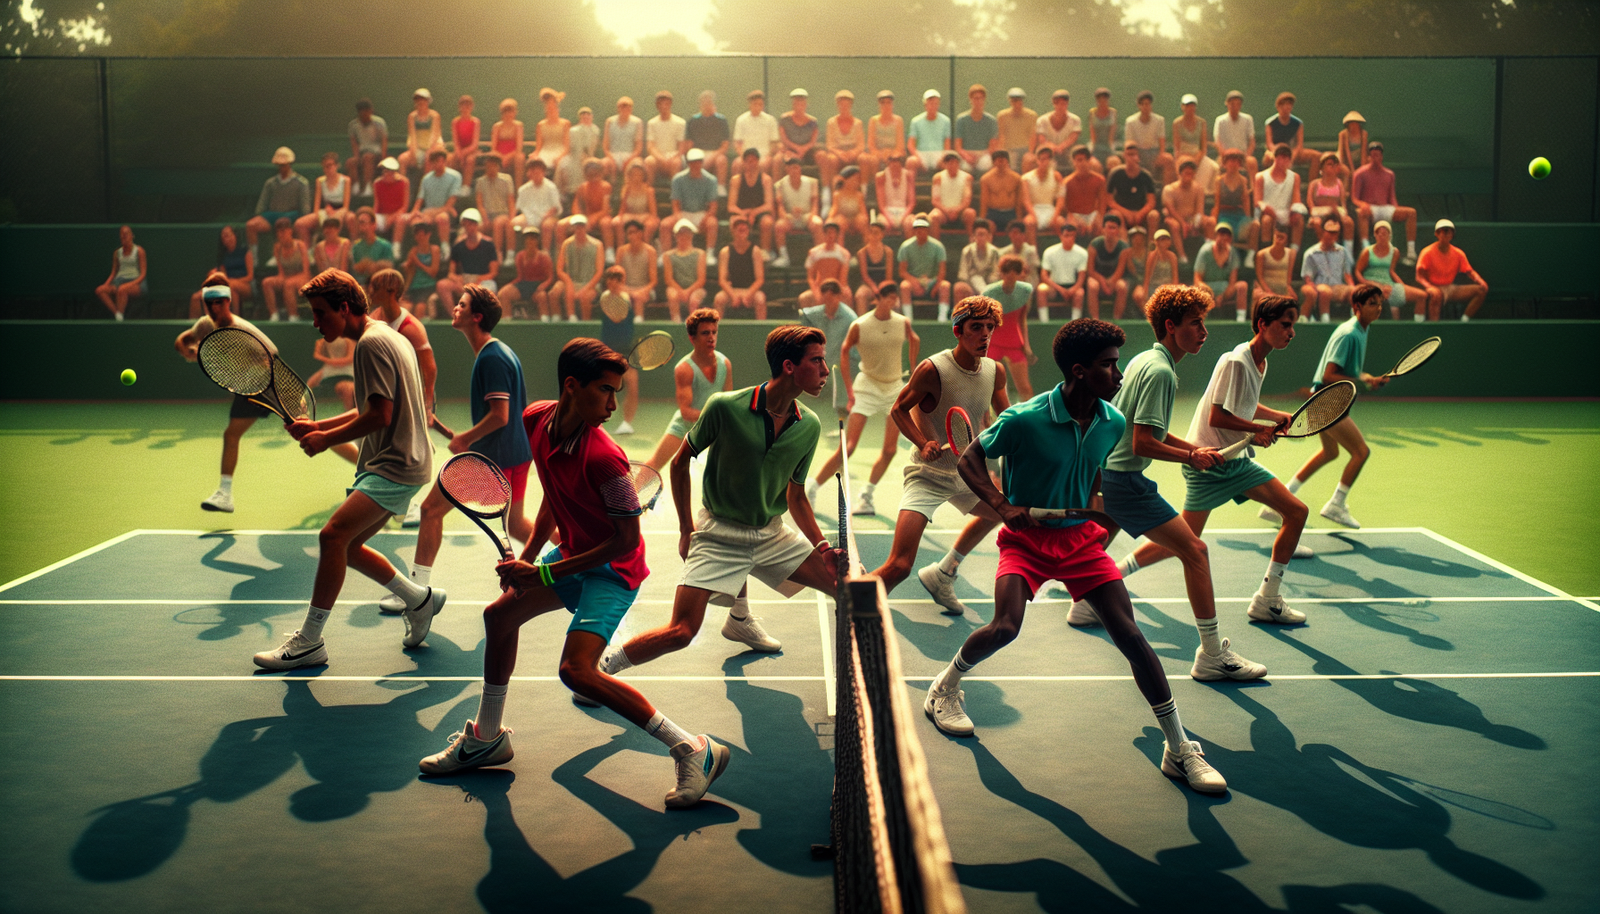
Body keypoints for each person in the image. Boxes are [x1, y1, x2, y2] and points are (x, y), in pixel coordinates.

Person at [923, 317, 1230, 795]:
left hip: (1079, 542)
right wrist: (1004, 507)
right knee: (1006, 626)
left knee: (1130, 634)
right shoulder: (1024, 418)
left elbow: (1092, 475)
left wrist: (1094, 510)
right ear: (1081, 370)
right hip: (1026, 544)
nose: (1120, 375)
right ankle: (944, 686)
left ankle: (1178, 747)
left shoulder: (1113, 423)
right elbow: (969, 459)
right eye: (1110, 366)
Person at [422, 339, 731, 811]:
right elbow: (551, 494)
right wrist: (527, 560)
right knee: (498, 617)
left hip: (613, 571)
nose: (612, 404)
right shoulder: (535, 421)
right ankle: (487, 738)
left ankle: (692, 748)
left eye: (617, 392)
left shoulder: (605, 458)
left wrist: (542, 575)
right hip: (570, 554)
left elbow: (626, 542)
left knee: (576, 671)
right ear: (571, 386)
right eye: (605, 391)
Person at [592, 325, 845, 677]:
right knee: (681, 631)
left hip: (772, 534)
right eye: (817, 360)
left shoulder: (810, 425)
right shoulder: (725, 407)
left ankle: (742, 620)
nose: (824, 370)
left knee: (846, 589)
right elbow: (680, 463)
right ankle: (603, 666)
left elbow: (796, 495)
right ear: (789, 366)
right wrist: (686, 529)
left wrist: (821, 546)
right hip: (718, 534)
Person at [1062, 287, 1267, 684]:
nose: (1204, 331)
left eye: (1204, 322)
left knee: (1091, 546)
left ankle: (1086, 604)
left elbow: (1146, 429)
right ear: (1171, 327)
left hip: (1105, 473)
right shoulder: (1161, 373)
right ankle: (1211, 655)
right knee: (1195, 550)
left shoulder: (1144, 359)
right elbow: (1143, 442)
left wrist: (1195, 449)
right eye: (1196, 323)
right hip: (1124, 480)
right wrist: (1192, 456)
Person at [253, 269, 443, 669]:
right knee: (348, 545)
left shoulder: (370, 345)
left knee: (333, 536)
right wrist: (318, 426)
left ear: (344, 308)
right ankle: (419, 600)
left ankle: (309, 640)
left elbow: (379, 415)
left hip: (396, 462)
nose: (316, 322)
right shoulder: (387, 335)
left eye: (321, 313)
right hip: (401, 459)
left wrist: (325, 441)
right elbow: (372, 406)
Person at [1119, 294, 1313, 626]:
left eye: (1293, 325)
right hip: (1211, 464)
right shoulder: (1237, 360)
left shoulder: (1259, 361)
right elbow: (1218, 416)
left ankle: (1267, 598)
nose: (1291, 332)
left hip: (1229, 462)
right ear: (1263, 325)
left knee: (1294, 512)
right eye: (1285, 324)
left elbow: (1242, 405)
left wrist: (1272, 417)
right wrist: (1258, 430)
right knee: (1185, 543)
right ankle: (1109, 577)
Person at [380, 285, 533, 616]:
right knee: (518, 525)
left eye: (461, 305)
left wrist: (464, 439)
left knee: (430, 509)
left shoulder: (491, 357)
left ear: (476, 317)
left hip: (493, 458)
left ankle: (415, 592)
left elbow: (500, 416)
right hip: (518, 453)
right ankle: (576, 555)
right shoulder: (498, 352)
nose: (455, 309)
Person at [869, 297, 1010, 616]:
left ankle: (943, 573)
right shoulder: (933, 369)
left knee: (1007, 512)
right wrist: (922, 442)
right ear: (958, 330)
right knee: (900, 565)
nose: (985, 334)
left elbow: (1008, 417)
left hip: (969, 476)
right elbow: (899, 410)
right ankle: (856, 600)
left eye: (990, 328)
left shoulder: (994, 371)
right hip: (928, 478)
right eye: (976, 328)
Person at [175, 273, 351, 513]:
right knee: (231, 435)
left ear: (228, 301)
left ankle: (369, 471)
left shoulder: (242, 329)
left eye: (218, 302)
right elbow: (183, 339)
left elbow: (272, 356)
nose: (214, 307)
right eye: (209, 303)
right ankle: (224, 494)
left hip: (271, 386)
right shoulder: (206, 324)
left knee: (313, 432)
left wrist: (286, 395)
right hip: (247, 390)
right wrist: (188, 350)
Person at [1268, 282, 1390, 534]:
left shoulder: (1360, 330)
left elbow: (1349, 372)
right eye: (1372, 304)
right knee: (1361, 451)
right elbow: (1328, 375)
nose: (1378, 308)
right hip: (1327, 401)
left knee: (1329, 452)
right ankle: (1336, 503)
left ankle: (1279, 502)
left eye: (1380, 303)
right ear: (1357, 307)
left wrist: (1367, 379)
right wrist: (1360, 381)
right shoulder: (1349, 334)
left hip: (1326, 399)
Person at [807, 282, 920, 516]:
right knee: (847, 448)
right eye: (888, 297)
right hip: (867, 387)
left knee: (890, 450)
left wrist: (913, 368)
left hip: (894, 389)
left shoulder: (902, 323)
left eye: (895, 298)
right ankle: (812, 488)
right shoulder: (860, 325)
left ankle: (866, 496)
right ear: (878, 297)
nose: (893, 302)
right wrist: (850, 390)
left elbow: (914, 339)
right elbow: (845, 351)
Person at [645, 308, 732, 472]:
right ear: (692, 338)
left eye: (714, 332)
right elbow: (686, 412)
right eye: (705, 333)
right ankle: (630, 497)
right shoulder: (684, 369)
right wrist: (716, 417)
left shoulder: (725, 363)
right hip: (686, 427)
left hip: (715, 429)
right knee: (654, 464)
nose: (711, 338)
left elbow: (728, 401)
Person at [798, 279, 859, 428]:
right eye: (825, 298)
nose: (828, 302)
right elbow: (804, 317)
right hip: (819, 365)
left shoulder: (851, 318)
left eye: (831, 298)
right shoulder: (815, 314)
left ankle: (841, 426)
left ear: (839, 297)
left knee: (841, 402)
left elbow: (854, 351)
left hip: (841, 367)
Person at [1351, 142, 1418, 264]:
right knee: (1361, 212)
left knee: (1411, 212)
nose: (1374, 158)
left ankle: (1411, 251)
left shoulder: (1389, 174)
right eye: (1372, 155)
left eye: (1377, 155)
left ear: (1381, 157)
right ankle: (1366, 248)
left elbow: (1392, 197)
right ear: (1368, 157)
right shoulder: (1360, 173)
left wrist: (1395, 209)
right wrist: (1363, 205)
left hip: (1386, 208)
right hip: (1370, 209)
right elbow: (1354, 198)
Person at [982, 255, 1037, 400]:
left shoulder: (1025, 291)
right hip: (992, 344)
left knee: (1025, 388)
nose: (1010, 276)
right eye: (1006, 272)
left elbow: (1022, 320)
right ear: (1001, 273)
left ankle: (1027, 420)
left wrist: (1027, 347)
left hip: (1014, 344)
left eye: (1014, 272)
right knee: (989, 388)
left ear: (1019, 274)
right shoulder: (989, 292)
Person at [595, 266, 640, 435]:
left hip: (626, 349)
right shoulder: (605, 297)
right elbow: (617, 317)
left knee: (633, 385)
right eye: (610, 278)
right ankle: (598, 420)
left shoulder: (626, 296)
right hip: (607, 349)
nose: (613, 282)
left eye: (617, 279)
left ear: (622, 281)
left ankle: (627, 424)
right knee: (603, 386)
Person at [1415, 219, 1488, 321]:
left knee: (1481, 291)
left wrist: (1479, 280)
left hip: (1450, 288)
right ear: (1437, 234)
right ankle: (1434, 330)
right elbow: (1419, 276)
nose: (1446, 234)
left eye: (1449, 231)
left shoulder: (1458, 253)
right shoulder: (1427, 252)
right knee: (1436, 296)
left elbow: (1469, 271)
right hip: (1433, 287)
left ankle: (1464, 321)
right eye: (1443, 231)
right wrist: (1430, 287)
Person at [1355, 220, 1426, 322]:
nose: (1382, 236)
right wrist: (1368, 283)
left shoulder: (1394, 252)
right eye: (1379, 234)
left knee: (1421, 295)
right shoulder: (1367, 251)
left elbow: (1391, 271)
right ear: (1375, 235)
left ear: (1389, 235)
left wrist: (1402, 284)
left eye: (1385, 234)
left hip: (1388, 285)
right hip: (1370, 284)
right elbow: (1357, 271)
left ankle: (1419, 327)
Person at [248, 147, 311, 248]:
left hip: (293, 216)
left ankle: (304, 254)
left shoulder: (301, 183)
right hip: (272, 216)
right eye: (280, 165)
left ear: (290, 164)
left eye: (284, 165)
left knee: (296, 225)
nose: (282, 168)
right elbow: (262, 204)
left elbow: (305, 208)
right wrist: (260, 214)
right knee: (251, 225)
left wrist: (300, 218)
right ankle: (254, 259)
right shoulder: (270, 183)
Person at [435, 208, 498, 306]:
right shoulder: (458, 246)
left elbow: (493, 272)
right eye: (467, 224)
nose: (470, 227)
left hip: (482, 280)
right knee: (442, 285)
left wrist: (477, 281)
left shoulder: (488, 244)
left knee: (489, 288)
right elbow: (451, 273)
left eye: (472, 224)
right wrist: (457, 279)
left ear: (478, 225)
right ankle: (455, 316)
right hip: (464, 279)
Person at [399, 150, 460, 251]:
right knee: (415, 222)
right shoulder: (426, 179)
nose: (439, 164)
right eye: (436, 161)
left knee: (442, 218)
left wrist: (430, 212)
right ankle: (414, 250)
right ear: (431, 163)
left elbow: (449, 205)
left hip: (447, 213)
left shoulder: (455, 176)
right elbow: (419, 200)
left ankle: (445, 249)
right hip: (427, 213)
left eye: (442, 161)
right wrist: (414, 213)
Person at [1301, 218, 1357, 323]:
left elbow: (1347, 274)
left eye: (1335, 233)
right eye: (1330, 233)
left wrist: (1352, 287)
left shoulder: (1342, 251)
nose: (1333, 236)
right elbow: (1308, 278)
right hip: (1320, 285)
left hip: (1337, 287)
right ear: (1323, 232)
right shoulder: (1311, 253)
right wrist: (1313, 289)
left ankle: (1356, 319)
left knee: (1356, 291)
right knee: (1325, 291)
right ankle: (1325, 320)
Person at [898, 216, 952, 320]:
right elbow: (902, 271)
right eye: (917, 229)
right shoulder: (905, 247)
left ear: (927, 230)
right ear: (914, 230)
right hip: (914, 281)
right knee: (904, 286)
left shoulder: (938, 246)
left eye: (922, 228)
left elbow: (942, 271)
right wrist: (914, 282)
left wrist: (935, 286)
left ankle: (942, 319)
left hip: (932, 281)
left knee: (945, 286)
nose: (920, 231)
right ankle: (908, 319)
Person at [669, 149, 720, 258]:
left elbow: (713, 207)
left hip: (701, 213)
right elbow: (675, 204)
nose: (695, 165)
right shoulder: (677, 179)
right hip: (683, 213)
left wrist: (705, 219)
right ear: (688, 163)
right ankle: (664, 254)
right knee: (665, 225)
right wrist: (679, 218)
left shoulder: (711, 180)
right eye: (692, 162)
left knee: (712, 223)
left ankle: (710, 253)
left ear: (702, 163)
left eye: (698, 162)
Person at [1255, 143, 1307, 251]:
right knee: (1266, 221)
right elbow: (1257, 201)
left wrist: (1295, 212)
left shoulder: (1295, 177)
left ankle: (1294, 252)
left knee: (1299, 221)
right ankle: (1267, 251)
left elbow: (1296, 199)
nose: (1284, 161)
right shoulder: (1260, 177)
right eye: (1281, 157)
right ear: (1275, 158)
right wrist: (1269, 210)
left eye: (1287, 158)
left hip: (1286, 213)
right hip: (1268, 213)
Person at [774, 156, 823, 266]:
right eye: (790, 168)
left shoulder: (812, 182)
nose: (793, 170)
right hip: (789, 217)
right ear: (787, 169)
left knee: (818, 223)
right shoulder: (779, 185)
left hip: (807, 215)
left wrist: (812, 216)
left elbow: (815, 203)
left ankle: (817, 257)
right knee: (779, 226)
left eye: (796, 167)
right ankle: (783, 257)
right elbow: (780, 206)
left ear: (800, 168)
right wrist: (785, 216)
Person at [727, 148, 776, 259]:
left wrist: (754, 213)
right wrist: (743, 214)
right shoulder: (736, 180)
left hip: (760, 213)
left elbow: (769, 205)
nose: (751, 163)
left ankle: (765, 251)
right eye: (748, 160)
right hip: (741, 212)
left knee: (767, 222)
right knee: (734, 221)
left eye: (754, 160)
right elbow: (731, 206)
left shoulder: (766, 180)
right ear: (744, 163)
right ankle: (738, 250)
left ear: (758, 162)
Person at [1194, 223, 1248, 322]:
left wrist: (1222, 296)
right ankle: (1201, 321)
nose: (1223, 237)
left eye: (1226, 234)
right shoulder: (1205, 251)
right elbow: (1197, 279)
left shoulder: (1233, 253)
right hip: (1208, 288)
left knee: (1242, 286)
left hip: (1225, 289)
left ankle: (1241, 320)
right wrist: (1210, 294)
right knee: (1199, 288)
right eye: (1221, 233)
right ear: (1216, 236)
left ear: (1230, 238)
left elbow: (1233, 281)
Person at [1162, 158, 1215, 259]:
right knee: (1175, 226)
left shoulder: (1198, 189)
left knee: (1211, 222)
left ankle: (1210, 253)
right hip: (1175, 218)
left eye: (1191, 173)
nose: (1189, 176)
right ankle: (1182, 256)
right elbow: (1171, 211)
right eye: (1186, 173)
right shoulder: (1169, 189)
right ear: (1180, 174)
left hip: (1192, 218)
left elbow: (1199, 210)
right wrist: (1183, 223)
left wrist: (1195, 223)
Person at [714, 216, 766, 319]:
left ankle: (762, 333)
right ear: (733, 231)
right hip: (732, 290)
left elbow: (760, 279)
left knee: (760, 299)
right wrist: (733, 296)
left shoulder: (755, 251)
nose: (742, 232)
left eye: (745, 230)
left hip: (750, 290)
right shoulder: (725, 252)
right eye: (739, 230)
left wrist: (748, 295)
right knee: (719, 299)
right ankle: (716, 332)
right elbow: (722, 280)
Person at [295, 152, 352, 246]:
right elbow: (316, 207)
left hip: (342, 211)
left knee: (350, 219)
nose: (327, 169)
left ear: (337, 165)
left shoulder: (346, 180)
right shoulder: (320, 181)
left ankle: (351, 250)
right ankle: (308, 253)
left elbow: (346, 206)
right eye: (324, 166)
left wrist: (337, 213)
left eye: (329, 165)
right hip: (326, 210)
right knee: (299, 224)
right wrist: (320, 216)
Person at [1104, 142, 1160, 236]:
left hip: (1141, 211)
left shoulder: (1145, 176)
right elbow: (1109, 199)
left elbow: (1151, 201)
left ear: (1138, 157)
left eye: (1134, 155)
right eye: (1129, 154)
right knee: (1115, 214)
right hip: (1121, 211)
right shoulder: (1115, 174)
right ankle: (1124, 245)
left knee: (1154, 215)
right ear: (1124, 156)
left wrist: (1140, 214)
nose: (1131, 157)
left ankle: (1151, 246)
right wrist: (1126, 213)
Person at [499, 226, 554, 321]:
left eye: (533, 238)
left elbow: (550, 277)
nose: (530, 241)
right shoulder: (520, 256)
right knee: (503, 293)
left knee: (542, 297)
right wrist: (510, 285)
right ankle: (507, 321)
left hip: (537, 286)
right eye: (528, 238)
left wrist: (543, 286)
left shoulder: (544, 257)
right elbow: (520, 277)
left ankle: (545, 322)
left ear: (537, 241)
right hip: (524, 285)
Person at [556, 214, 604, 321]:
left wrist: (585, 289)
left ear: (586, 227)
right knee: (554, 292)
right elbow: (559, 269)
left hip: (590, 284)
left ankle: (585, 324)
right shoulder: (566, 244)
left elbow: (599, 272)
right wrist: (568, 282)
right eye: (576, 226)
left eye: (581, 226)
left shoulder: (597, 245)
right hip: (572, 281)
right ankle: (560, 320)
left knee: (585, 298)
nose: (579, 229)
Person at [262, 217, 310, 322]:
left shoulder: (300, 245)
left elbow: (306, 272)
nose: (281, 234)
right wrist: (280, 278)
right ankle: (274, 315)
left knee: (288, 284)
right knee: (266, 282)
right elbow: (281, 273)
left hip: (303, 277)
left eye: (283, 231)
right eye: (279, 232)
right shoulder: (277, 248)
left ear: (290, 231)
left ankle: (294, 316)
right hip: (287, 277)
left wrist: (290, 280)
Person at [819, 89, 865, 199]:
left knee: (865, 159)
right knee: (830, 159)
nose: (844, 106)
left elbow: (861, 145)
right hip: (837, 154)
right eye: (841, 104)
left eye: (846, 104)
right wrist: (840, 153)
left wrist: (853, 153)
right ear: (837, 105)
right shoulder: (831, 122)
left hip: (853, 154)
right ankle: (830, 193)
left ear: (851, 105)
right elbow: (829, 145)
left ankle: (864, 191)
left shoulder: (858, 123)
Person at [1037, 222, 1088, 321]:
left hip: (1072, 286)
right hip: (1054, 287)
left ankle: (1074, 324)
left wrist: (1073, 289)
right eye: (1066, 235)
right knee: (1041, 289)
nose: (1068, 238)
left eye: (1071, 236)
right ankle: (1044, 323)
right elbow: (1044, 275)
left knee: (1080, 293)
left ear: (1075, 237)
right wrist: (1060, 289)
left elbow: (1082, 277)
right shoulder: (1049, 252)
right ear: (1061, 236)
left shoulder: (1082, 253)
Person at [96, 225, 146, 322]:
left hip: (136, 282)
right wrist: (106, 284)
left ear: (132, 236)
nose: (124, 236)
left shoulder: (139, 251)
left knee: (122, 290)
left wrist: (130, 284)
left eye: (126, 234)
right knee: (100, 290)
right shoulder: (117, 253)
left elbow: (143, 274)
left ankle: (119, 322)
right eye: (122, 234)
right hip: (118, 281)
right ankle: (118, 314)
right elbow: (113, 273)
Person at [1306, 153, 1354, 254]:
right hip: (1319, 214)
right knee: (1317, 223)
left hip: (1334, 214)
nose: (1333, 167)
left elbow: (1342, 203)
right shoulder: (1314, 184)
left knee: (1349, 222)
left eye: (1335, 165)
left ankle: (1347, 256)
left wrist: (1343, 214)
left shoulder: (1339, 183)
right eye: (1329, 164)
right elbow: (1310, 202)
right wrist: (1315, 214)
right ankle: (1324, 251)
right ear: (1322, 167)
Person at [474, 153, 517, 265]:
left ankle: (497, 254)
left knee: (498, 223)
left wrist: (511, 219)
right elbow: (480, 203)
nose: (490, 168)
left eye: (493, 165)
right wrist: (485, 217)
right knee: (473, 228)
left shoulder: (507, 180)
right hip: (487, 214)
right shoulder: (480, 182)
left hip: (503, 213)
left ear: (498, 166)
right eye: (488, 165)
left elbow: (511, 201)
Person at [1123, 91, 1173, 184]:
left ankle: (1165, 192)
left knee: (1168, 159)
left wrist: (1161, 154)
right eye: (1143, 104)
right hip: (1138, 153)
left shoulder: (1159, 120)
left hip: (1154, 152)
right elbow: (1129, 142)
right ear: (1139, 106)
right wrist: (1135, 157)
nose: (1146, 107)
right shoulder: (1130, 122)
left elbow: (1162, 139)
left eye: (1148, 104)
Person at [798, 221, 851, 310]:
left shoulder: (844, 254)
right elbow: (810, 277)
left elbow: (843, 279)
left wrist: (835, 293)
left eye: (833, 233)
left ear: (837, 235)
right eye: (828, 232)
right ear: (824, 234)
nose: (831, 235)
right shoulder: (814, 253)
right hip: (819, 287)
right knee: (803, 298)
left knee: (847, 295)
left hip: (836, 287)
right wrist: (817, 293)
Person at [663, 218, 708, 322]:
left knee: (694, 300)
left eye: (687, 233)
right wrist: (681, 291)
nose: (684, 236)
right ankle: (676, 321)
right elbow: (668, 279)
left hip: (696, 288)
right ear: (676, 236)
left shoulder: (700, 254)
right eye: (681, 233)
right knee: (672, 294)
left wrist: (688, 291)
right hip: (676, 288)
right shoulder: (668, 255)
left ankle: (693, 324)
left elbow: (701, 280)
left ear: (691, 235)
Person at [512, 158, 561, 253]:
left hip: (548, 216)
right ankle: (514, 253)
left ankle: (545, 252)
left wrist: (546, 215)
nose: (534, 172)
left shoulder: (551, 187)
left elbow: (555, 207)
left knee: (546, 225)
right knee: (513, 224)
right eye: (532, 170)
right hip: (529, 216)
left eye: (537, 170)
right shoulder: (523, 189)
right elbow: (519, 207)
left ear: (543, 171)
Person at [1085, 215, 1130, 319]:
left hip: (1115, 279)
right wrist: (1103, 282)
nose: (1110, 231)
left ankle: (1116, 320)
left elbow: (1120, 271)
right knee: (1092, 285)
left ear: (1118, 230)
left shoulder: (1124, 248)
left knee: (1122, 286)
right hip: (1098, 278)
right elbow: (1090, 271)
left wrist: (1110, 282)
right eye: (1108, 227)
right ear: (1103, 229)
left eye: (1113, 228)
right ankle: (1095, 320)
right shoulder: (1094, 245)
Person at [686, 90, 732, 191]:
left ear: (713, 103)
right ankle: (694, 188)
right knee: (694, 160)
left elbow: (725, 146)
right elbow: (689, 145)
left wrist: (711, 157)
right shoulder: (693, 121)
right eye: (704, 102)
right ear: (700, 104)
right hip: (698, 152)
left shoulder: (722, 120)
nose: (707, 104)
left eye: (709, 102)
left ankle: (720, 188)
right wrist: (697, 156)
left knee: (722, 160)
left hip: (716, 153)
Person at [1172, 94, 1217, 192]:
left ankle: (1209, 196)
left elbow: (1203, 147)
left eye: (1192, 105)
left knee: (1215, 167)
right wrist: (1182, 159)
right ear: (1182, 107)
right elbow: (1177, 148)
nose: (1190, 108)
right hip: (1183, 156)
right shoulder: (1177, 123)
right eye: (1187, 105)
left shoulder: (1202, 123)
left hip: (1198, 155)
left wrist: (1197, 159)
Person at [615, 219, 659, 319]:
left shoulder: (650, 252)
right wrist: (628, 290)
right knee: (621, 296)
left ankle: (639, 320)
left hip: (645, 289)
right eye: (629, 233)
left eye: (633, 232)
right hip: (625, 288)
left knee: (639, 298)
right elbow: (617, 277)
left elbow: (653, 281)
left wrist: (640, 291)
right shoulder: (621, 251)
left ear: (640, 233)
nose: (631, 236)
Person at [1212, 149, 1255, 249]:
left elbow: (1245, 201)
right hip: (1224, 214)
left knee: (1254, 226)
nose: (1233, 164)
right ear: (1225, 164)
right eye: (1230, 161)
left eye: (1236, 161)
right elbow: (1217, 203)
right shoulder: (1219, 181)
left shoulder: (1243, 180)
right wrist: (1215, 219)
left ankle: (1250, 254)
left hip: (1239, 214)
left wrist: (1247, 219)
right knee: (1227, 231)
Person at [1061, 145, 1107, 239]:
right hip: (1075, 215)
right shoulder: (1067, 182)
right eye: (1078, 160)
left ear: (1089, 161)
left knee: (1100, 227)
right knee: (1072, 226)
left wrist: (1099, 217)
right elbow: (1065, 207)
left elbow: (1102, 203)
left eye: (1085, 160)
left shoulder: (1099, 180)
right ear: (1073, 162)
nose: (1082, 163)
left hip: (1092, 214)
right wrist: (1075, 219)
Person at [1266, 92, 1319, 172]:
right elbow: (1269, 144)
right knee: (1267, 159)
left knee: (1316, 156)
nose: (1286, 107)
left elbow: (1299, 145)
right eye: (1283, 104)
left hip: (1293, 152)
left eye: (1289, 104)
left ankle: (1313, 183)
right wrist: (1278, 154)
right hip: (1276, 152)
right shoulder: (1270, 123)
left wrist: (1291, 157)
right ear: (1278, 106)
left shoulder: (1298, 123)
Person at [1022, 146, 1064, 245]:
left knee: (1061, 222)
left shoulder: (1057, 176)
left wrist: (1055, 216)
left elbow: (1060, 199)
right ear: (1037, 160)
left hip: (1050, 210)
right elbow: (1026, 200)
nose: (1045, 162)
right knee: (1029, 222)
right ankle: (1034, 255)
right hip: (1034, 210)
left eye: (1048, 159)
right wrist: (1034, 215)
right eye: (1042, 159)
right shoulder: (1026, 178)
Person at [345, 98, 388, 196]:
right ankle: (355, 186)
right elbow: (354, 142)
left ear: (371, 111)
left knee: (367, 157)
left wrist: (383, 156)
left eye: (367, 111)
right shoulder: (353, 125)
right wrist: (356, 156)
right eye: (362, 111)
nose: (364, 114)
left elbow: (384, 140)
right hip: (361, 151)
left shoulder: (379, 123)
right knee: (351, 162)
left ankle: (368, 186)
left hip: (376, 153)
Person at [929, 152, 977, 238]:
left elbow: (967, 200)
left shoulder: (967, 178)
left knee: (970, 213)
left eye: (955, 162)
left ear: (958, 164)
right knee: (934, 216)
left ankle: (971, 240)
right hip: (943, 212)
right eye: (949, 162)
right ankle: (937, 244)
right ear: (945, 164)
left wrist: (956, 210)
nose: (952, 165)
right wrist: (947, 211)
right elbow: (935, 200)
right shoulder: (937, 178)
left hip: (960, 211)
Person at [733, 90, 781, 176]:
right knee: (736, 164)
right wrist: (743, 157)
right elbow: (737, 143)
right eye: (755, 104)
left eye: (760, 104)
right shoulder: (741, 120)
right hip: (746, 156)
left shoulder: (771, 120)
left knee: (763, 165)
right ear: (749, 105)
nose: (758, 107)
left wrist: (768, 155)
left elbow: (774, 143)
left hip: (764, 156)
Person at [397, 88, 444, 176]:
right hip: (417, 148)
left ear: (428, 101)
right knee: (402, 159)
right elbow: (412, 136)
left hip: (434, 146)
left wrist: (429, 151)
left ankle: (424, 187)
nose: (420, 102)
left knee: (428, 158)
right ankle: (404, 186)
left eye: (423, 100)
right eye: (418, 100)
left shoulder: (435, 116)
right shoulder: (411, 117)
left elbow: (434, 137)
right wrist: (414, 153)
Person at [613, 161, 657, 255]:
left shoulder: (649, 190)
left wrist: (643, 218)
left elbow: (653, 213)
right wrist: (619, 218)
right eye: (634, 174)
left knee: (649, 226)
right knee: (616, 222)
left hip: (645, 216)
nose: (636, 177)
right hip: (631, 216)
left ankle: (645, 252)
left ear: (643, 176)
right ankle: (621, 252)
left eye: (639, 174)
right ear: (629, 176)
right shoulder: (626, 189)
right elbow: (622, 209)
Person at [954, 83, 999, 174]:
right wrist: (967, 157)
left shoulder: (991, 121)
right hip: (966, 153)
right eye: (975, 98)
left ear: (984, 100)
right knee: (965, 167)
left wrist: (981, 156)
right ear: (970, 100)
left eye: (981, 98)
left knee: (985, 165)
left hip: (984, 154)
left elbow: (992, 147)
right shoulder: (961, 120)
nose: (978, 101)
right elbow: (958, 147)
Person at [978, 149, 1024, 237]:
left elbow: (1018, 201)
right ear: (993, 162)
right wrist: (982, 220)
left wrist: (1019, 219)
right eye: (998, 161)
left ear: (1007, 162)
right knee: (988, 227)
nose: (1001, 163)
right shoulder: (986, 179)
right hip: (993, 213)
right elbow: (984, 201)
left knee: (1016, 229)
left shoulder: (1016, 178)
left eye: (1003, 160)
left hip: (1010, 212)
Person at [776, 88, 819, 182]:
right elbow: (784, 139)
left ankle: (826, 189)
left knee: (823, 156)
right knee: (777, 159)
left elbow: (813, 141)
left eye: (802, 103)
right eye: (796, 103)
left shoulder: (812, 121)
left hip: (807, 151)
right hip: (789, 150)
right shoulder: (784, 119)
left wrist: (803, 149)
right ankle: (776, 189)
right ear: (793, 104)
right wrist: (796, 149)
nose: (799, 105)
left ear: (806, 104)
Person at [400, 222, 442, 318]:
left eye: (422, 235)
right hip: (414, 287)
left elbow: (433, 272)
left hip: (428, 286)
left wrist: (417, 262)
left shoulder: (434, 250)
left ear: (428, 235)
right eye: (417, 235)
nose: (419, 238)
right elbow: (410, 273)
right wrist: (407, 266)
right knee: (405, 308)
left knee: (420, 308)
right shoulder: (414, 251)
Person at [1212, 89, 1258, 177]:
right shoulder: (1220, 120)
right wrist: (1226, 157)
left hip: (1243, 156)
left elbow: (1252, 141)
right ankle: (1218, 190)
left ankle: (1253, 189)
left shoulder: (1248, 119)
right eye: (1232, 103)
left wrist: (1245, 156)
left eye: (1238, 104)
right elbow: (1217, 142)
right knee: (1216, 167)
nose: (1235, 106)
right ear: (1227, 104)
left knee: (1252, 162)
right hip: (1225, 157)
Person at [954, 219, 1002, 302]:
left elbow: (996, 273)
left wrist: (989, 286)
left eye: (983, 235)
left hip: (989, 284)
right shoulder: (967, 251)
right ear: (974, 237)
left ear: (988, 236)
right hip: (971, 285)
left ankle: (985, 296)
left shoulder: (994, 252)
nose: (981, 238)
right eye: (979, 235)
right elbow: (963, 273)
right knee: (968, 282)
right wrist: (970, 286)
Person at [646, 90, 687, 184]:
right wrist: (661, 158)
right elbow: (650, 146)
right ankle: (649, 191)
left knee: (676, 163)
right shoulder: (652, 123)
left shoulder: (680, 123)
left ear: (670, 104)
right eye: (660, 104)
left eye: (666, 103)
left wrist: (672, 158)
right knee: (649, 161)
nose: (664, 106)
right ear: (657, 105)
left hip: (674, 157)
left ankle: (675, 195)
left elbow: (682, 147)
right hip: (657, 157)